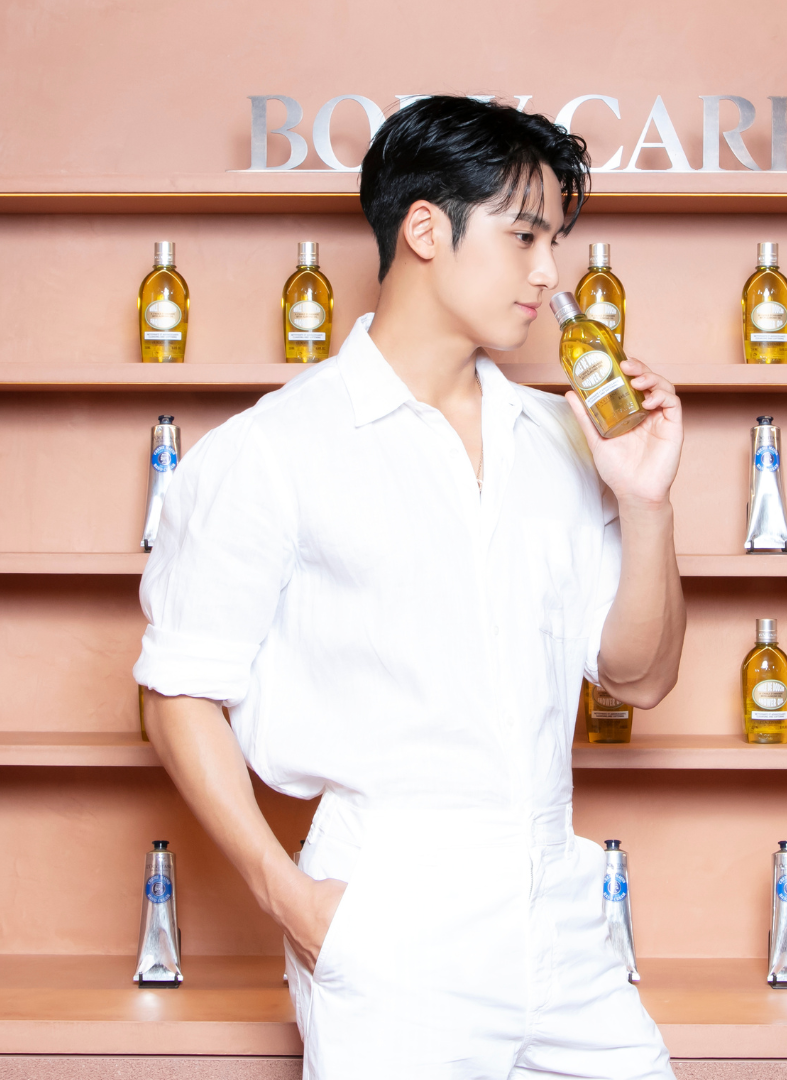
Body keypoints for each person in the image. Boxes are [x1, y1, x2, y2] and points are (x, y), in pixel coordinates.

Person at [135, 95, 686, 1080]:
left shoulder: (562, 441)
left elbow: (639, 678)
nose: (550, 273)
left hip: (561, 908)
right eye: (524, 236)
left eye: (556, 242)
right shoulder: (275, 448)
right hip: (392, 915)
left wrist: (646, 502)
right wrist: (291, 900)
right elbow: (177, 691)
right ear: (425, 230)